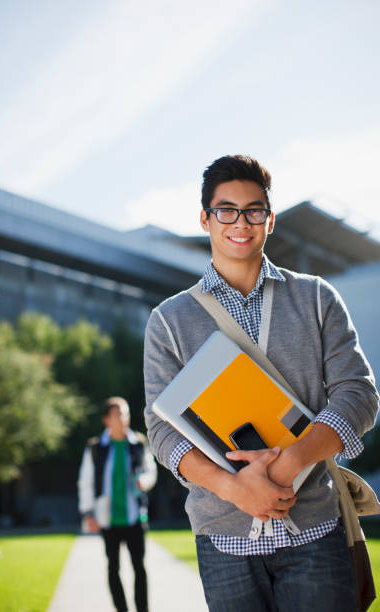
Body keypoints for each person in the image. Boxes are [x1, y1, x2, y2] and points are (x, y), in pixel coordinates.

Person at [143, 155, 379, 611]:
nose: (241, 222)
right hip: (224, 538)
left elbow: (358, 393)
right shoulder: (168, 321)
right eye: (226, 210)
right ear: (205, 219)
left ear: (269, 220)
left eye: (254, 210)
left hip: (314, 526)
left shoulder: (315, 297)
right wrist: (233, 487)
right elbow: (162, 430)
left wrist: (286, 465)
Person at [78, 396, 157, 612]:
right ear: (106, 419)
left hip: (134, 516)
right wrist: (88, 513)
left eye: (125, 413)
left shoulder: (138, 443)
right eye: (117, 414)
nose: (123, 418)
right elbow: (86, 482)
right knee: (113, 568)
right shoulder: (96, 448)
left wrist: (145, 482)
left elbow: (151, 471)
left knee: (139, 567)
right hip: (107, 518)